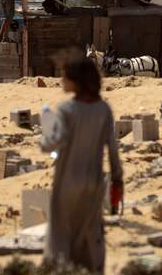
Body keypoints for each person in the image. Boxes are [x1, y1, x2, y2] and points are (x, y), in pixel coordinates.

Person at [40, 56, 123, 273]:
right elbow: (112, 149)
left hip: (67, 181)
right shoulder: (104, 109)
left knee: (61, 237)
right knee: (89, 236)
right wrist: (118, 180)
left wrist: (45, 135)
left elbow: (52, 143)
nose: (61, 80)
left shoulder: (66, 109)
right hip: (94, 183)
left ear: (75, 80)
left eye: (64, 76)